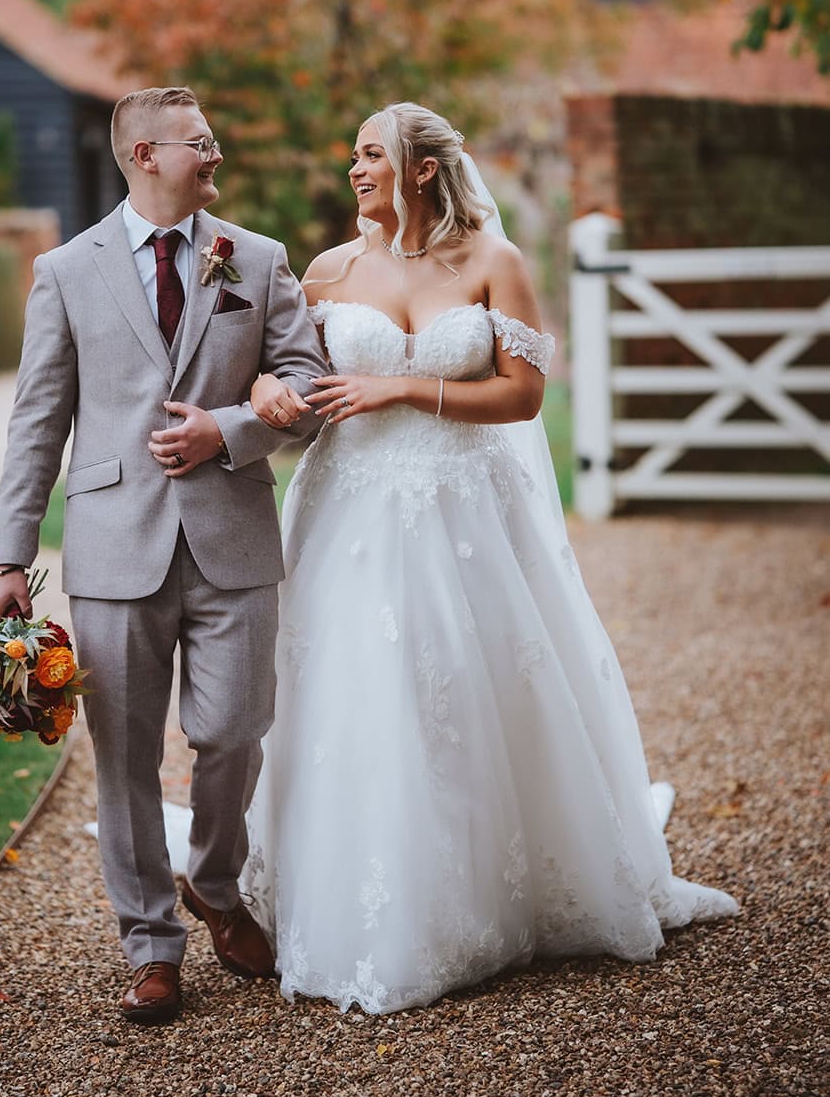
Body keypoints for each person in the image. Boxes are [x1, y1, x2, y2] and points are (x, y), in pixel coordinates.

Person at [244, 101, 740, 1014]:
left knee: (468, 690)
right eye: (350, 155)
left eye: (368, 155)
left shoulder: (493, 263)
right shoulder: (324, 271)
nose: (353, 170)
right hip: (346, 508)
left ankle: (496, 889)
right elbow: (288, 379)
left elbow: (521, 398)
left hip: (463, 508)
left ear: (420, 167)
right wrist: (272, 390)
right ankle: (355, 892)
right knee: (359, 690)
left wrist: (403, 384)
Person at [0, 86, 328, 1024]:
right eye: (200, 145)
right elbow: (36, 419)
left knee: (233, 731)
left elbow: (303, 380)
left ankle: (214, 883)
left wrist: (226, 431)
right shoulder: (64, 269)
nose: (215, 158)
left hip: (232, 539)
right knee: (126, 758)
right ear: (144, 155)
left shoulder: (256, 260)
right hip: (111, 545)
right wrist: (8, 556)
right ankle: (150, 943)